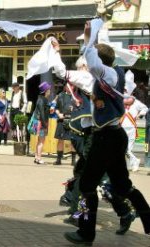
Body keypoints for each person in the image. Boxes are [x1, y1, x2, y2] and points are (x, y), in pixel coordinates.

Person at [64, 20, 150, 245]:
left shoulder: (109, 75)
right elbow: (92, 60)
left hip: (106, 138)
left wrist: (88, 39)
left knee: (86, 186)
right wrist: (88, 38)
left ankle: (85, 232)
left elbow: (92, 60)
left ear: (100, 63)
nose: (87, 64)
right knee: (122, 186)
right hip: (113, 136)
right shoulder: (109, 75)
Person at [53, 54, 135, 235]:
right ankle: (85, 213)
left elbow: (61, 71)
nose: (79, 71)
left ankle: (89, 217)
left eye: (80, 67)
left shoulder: (89, 77)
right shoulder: (104, 78)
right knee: (85, 175)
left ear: (85, 66)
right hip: (100, 134)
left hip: (97, 136)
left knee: (91, 179)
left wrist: (55, 51)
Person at [121, 71, 148, 172]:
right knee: (123, 148)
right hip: (121, 126)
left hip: (131, 127)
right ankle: (133, 161)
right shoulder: (120, 100)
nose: (125, 92)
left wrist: (140, 115)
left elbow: (145, 108)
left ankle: (133, 164)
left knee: (128, 149)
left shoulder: (136, 102)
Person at [28, 81, 51, 164]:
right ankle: (39, 158)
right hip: (41, 123)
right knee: (41, 141)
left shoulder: (41, 99)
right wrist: (45, 124)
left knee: (39, 140)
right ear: (46, 91)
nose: (50, 91)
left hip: (40, 122)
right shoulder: (42, 100)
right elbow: (42, 113)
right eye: (49, 89)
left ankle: (36, 157)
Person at [53, 84, 76, 166]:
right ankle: (58, 160)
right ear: (65, 87)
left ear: (74, 87)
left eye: (72, 86)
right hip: (62, 120)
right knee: (60, 140)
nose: (70, 87)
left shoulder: (76, 96)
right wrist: (59, 114)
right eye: (68, 86)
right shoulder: (61, 96)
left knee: (73, 141)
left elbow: (80, 108)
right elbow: (56, 108)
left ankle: (73, 161)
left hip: (72, 121)